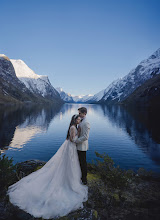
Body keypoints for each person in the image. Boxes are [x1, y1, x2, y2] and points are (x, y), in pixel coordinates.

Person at [6, 114, 88, 219]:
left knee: (68, 163)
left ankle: (68, 176)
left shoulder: (74, 127)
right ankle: (68, 178)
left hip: (70, 147)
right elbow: (72, 139)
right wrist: (80, 135)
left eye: (80, 119)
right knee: (69, 163)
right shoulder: (73, 127)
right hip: (70, 147)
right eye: (78, 119)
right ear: (74, 120)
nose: (79, 120)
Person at [72, 107, 90, 185]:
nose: (78, 114)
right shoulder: (82, 121)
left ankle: (84, 179)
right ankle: (80, 176)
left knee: (83, 163)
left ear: (84, 113)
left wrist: (76, 141)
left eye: (80, 113)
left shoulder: (86, 123)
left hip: (82, 146)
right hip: (79, 146)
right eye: (78, 113)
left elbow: (86, 137)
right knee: (79, 161)